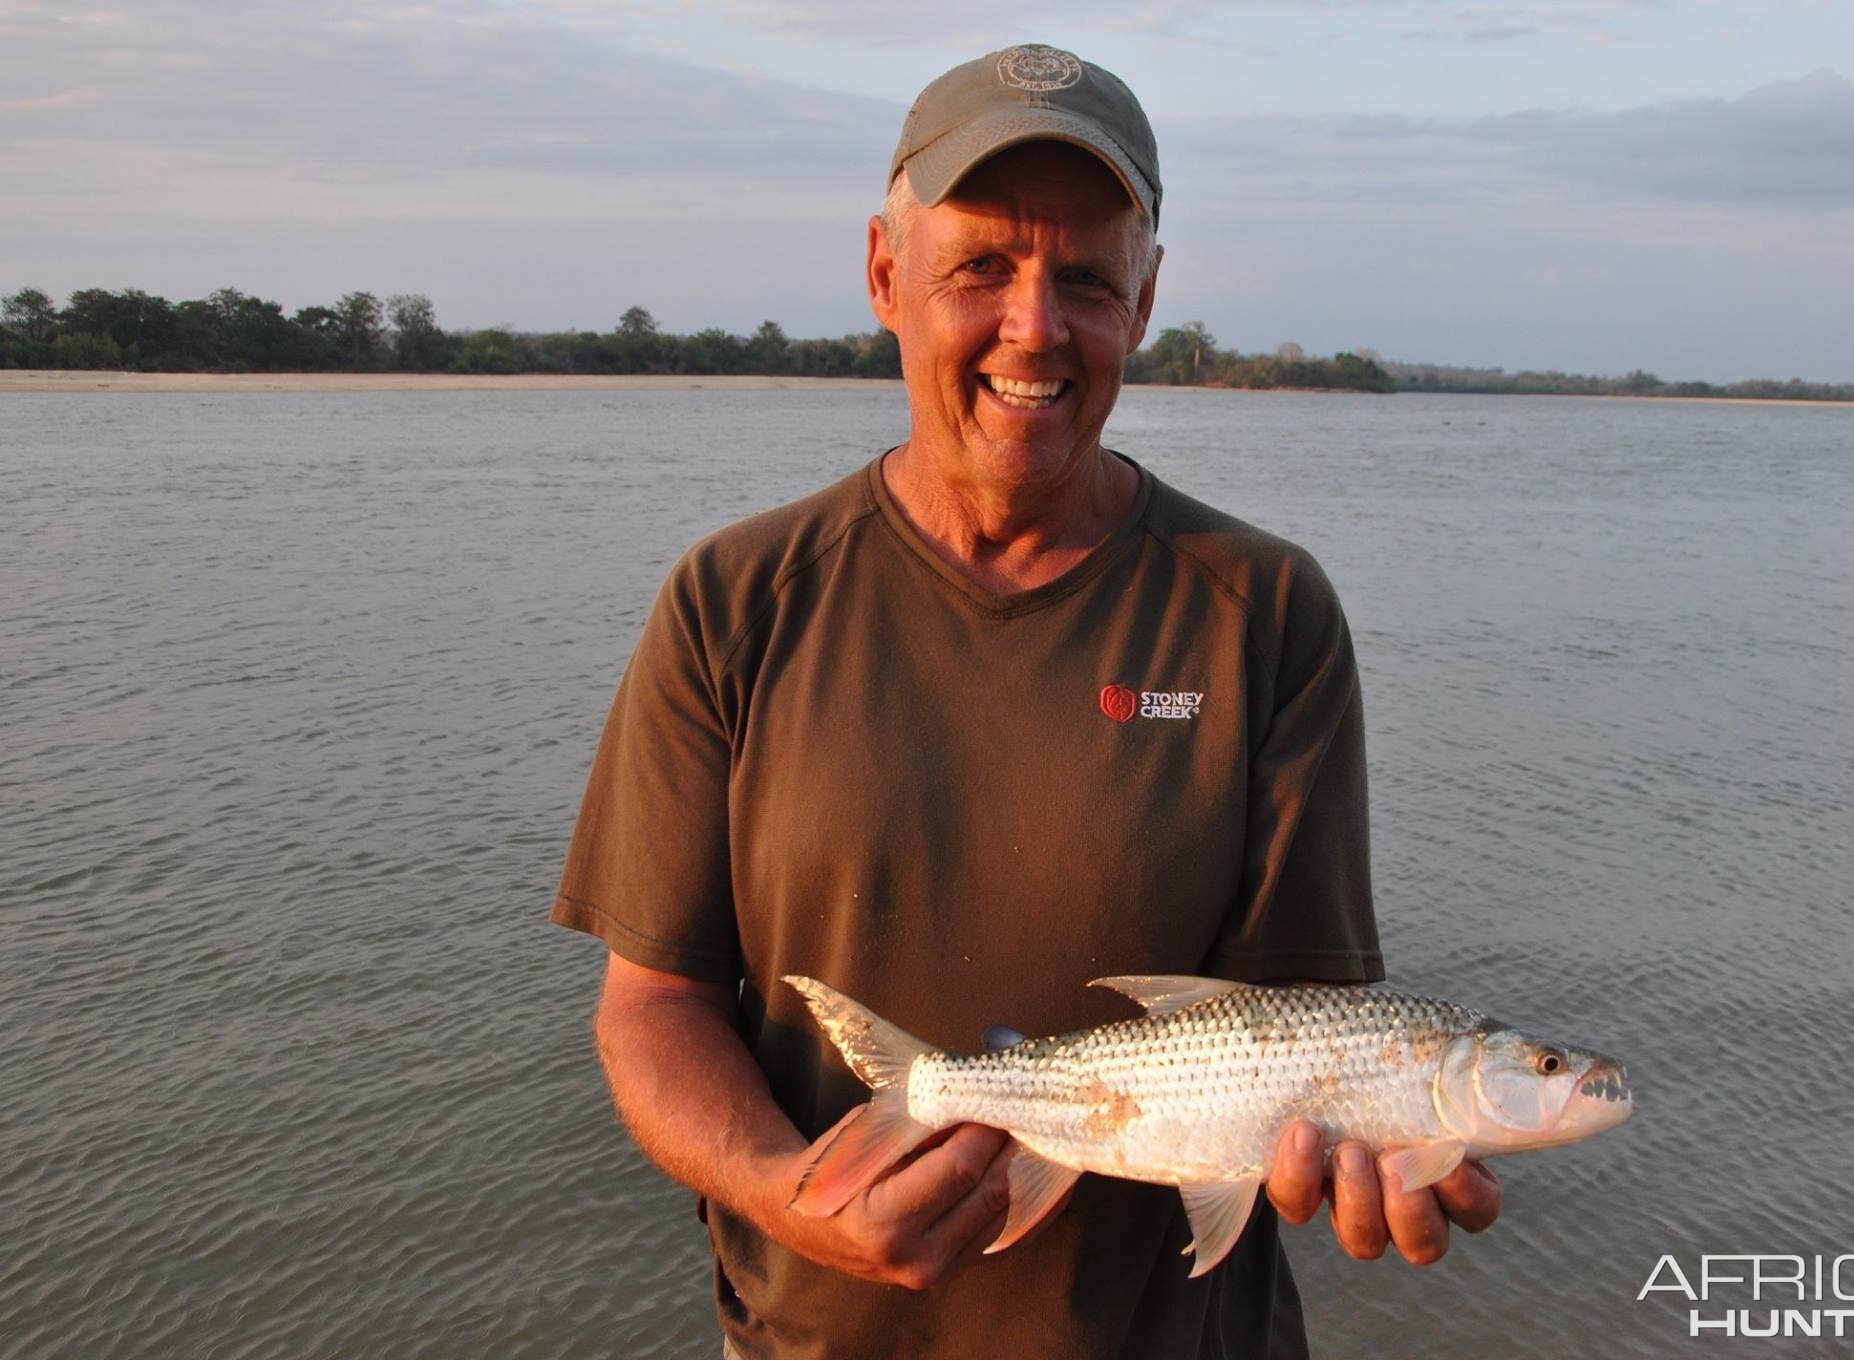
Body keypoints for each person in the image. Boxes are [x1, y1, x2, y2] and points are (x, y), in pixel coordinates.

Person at [552, 42, 1500, 1360]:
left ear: (1148, 300)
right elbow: (651, 1010)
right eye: (980, 266)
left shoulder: (1267, 611)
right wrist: (785, 1194)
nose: (1035, 326)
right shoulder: (735, 601)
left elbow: (1293, 1026)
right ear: (886, 275)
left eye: (1088, 279)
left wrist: (1363, 1157)